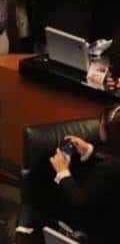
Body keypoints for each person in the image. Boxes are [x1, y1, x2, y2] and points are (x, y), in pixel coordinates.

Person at [48, 103, 120, 242]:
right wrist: (89, 150)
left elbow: (80, 201)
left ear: (107, 132)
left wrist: (62, 172)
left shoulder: (109, 169)